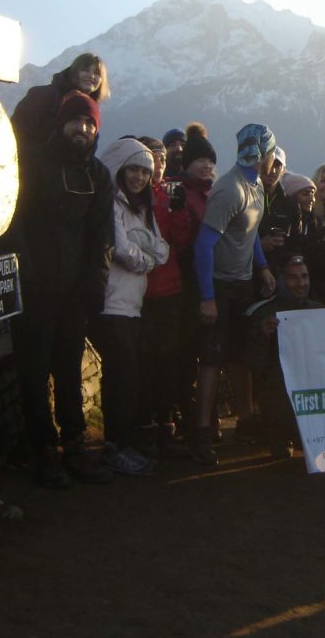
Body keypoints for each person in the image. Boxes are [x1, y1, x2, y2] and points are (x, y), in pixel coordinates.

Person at [0, 91, 114, 487]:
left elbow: (102, 236)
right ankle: (45, 453)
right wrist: (25, 276)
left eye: (90, 123)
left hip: (75, 291)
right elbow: (11, 222)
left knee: (67, 370)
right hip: (35, 287)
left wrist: (95, 280)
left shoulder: (98, 174)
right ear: (61, 124)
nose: (82, 129)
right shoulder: (31, 163)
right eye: (76, 122)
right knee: (33, 372)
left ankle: (75, 448)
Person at [188, 123, 278, 465]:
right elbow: (204, 245)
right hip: (220, 285)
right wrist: (208, 297)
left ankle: (245, 419)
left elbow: (250, 231)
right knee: (211, 359)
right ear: (264, 154)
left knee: (240, 356)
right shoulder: (230, 189)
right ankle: (201, 433)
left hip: (242, 283)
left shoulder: (255, 186)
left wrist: (263, 267)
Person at [90, 138, 169, 475]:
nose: (139, 177)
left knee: (129, 376)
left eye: (145, 171)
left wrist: (143, 253)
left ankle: (121, 443)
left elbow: (162, 250)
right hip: (111, 304)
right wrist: (145, 257)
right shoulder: (111, 204)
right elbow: (122, 250)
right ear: (120, 169)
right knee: (122, 376)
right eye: (133, 169)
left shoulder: (142, 208)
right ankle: (114, 447)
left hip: (131, 304)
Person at [136, 136, 196, 458]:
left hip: (169, 289)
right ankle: (146, 425)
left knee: (167, 360)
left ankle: (166, 423)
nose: (159, 166)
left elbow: (181, 240)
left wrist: (179, 211)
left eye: (161, 160)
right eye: (153, 160)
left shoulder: (167, 196)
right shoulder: (133, 198)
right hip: (141, 291)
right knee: (145, 360)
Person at [245, 253, 323, 456]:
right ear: (281, 280)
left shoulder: (320, 311)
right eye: (293, 277)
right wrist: (263, 336)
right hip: (278, 394)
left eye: (304, 276)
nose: (300, 283)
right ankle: (278, 434)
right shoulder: (263, 314)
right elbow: (253, 364)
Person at [174, 122, 217, 434]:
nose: (207, 165)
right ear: (187, 163)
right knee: (188, 353)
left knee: (209, 355)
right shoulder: (181, 193)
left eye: (211, 161)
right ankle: (188, 419)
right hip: (185, 284)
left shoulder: (214, 194)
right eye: (201, 160)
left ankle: (204, 418)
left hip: (210, 282)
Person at [11, 52, 110, 148]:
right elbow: (18, 129)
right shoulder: (42, 95)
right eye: (85, 70)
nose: (91, 76)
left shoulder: (93, 110)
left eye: (97, 73)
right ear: (74, 72)